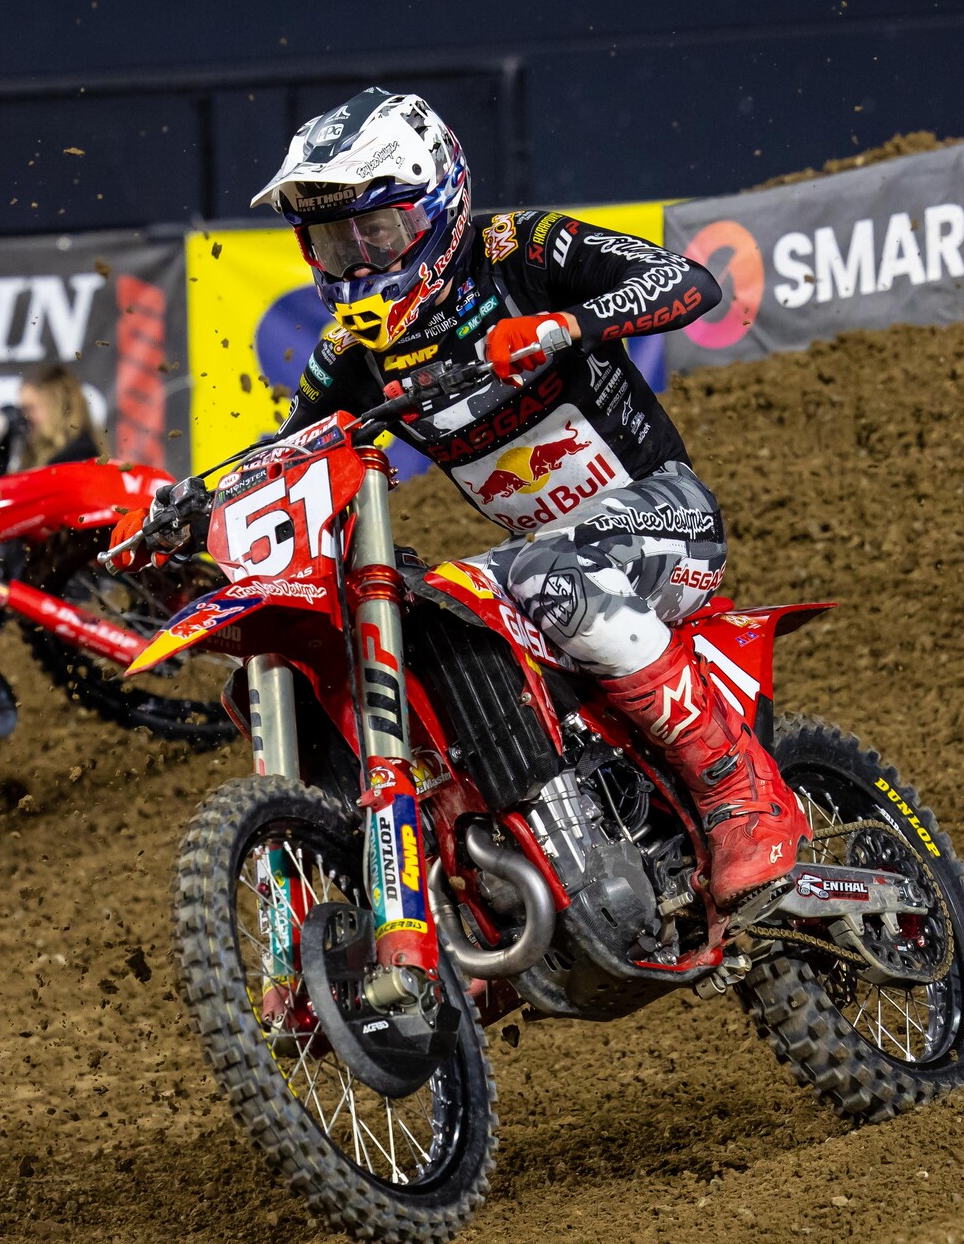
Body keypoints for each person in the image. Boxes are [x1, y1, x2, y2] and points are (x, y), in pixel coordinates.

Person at [242, 88, 807, 907]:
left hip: (666, 514)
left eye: (379, 230)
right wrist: (185, 498)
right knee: (434, 612)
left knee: (543, 570)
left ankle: (739, 792)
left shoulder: (519, 251)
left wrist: (565, 326)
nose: (360, 261)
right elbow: (291, 446)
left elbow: (689, 282)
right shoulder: (353, 354)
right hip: (546, 564)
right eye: (335, 241)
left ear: (437, 206)